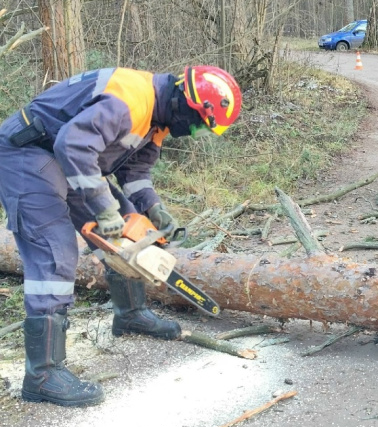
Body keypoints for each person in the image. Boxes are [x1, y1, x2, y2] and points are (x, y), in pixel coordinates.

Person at [0, 66, 242, 407]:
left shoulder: (158, 120)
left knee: (131, 231)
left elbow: (136, 171)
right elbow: (73, 143)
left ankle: (130, 315)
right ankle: (42, 374)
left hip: (69, 159)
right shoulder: (131, 99)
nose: (194, 132)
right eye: (199, 124)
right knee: (55, 251)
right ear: (186, 104)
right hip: (28, 154)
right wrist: (103, 208)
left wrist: (153, 208)